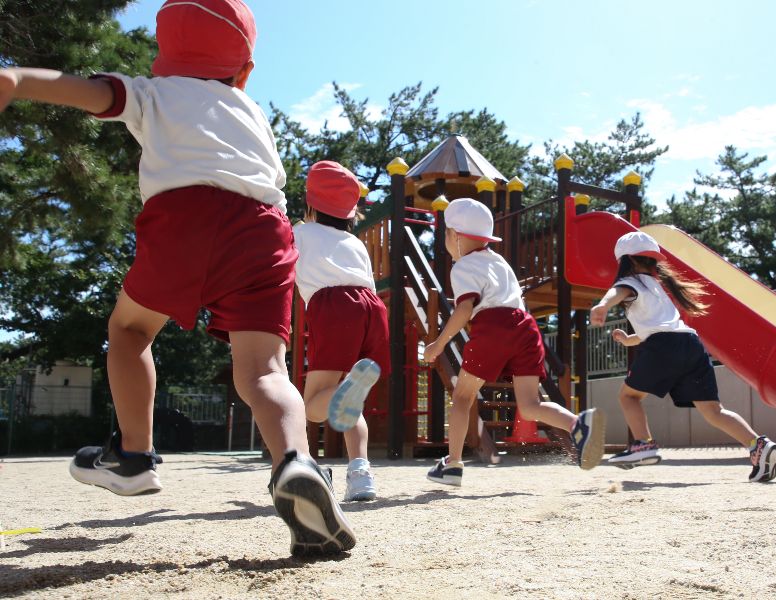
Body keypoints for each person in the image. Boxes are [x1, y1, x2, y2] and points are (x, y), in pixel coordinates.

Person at [0, 0, 355, 554]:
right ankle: (295, 462)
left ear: (162, 57)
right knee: (265, 370)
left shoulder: (152, 92)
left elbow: (88, 91)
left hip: (183, 219)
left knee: (130, 330)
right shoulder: (251, 113)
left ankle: (133, 456)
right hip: (265, 230)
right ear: (245, 71)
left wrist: (19, 80)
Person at [423, 198, 606, 486]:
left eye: (446, 234)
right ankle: (577, 424)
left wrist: (439, 343)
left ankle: (453, 465)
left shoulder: (463, 266)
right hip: (525, 327)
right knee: (530, 404)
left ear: (455, 235)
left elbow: (465, 309)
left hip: (493, 325)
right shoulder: (499, 262)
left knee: (462, 396)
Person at [591, 231, 776, 482]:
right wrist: (629, 340)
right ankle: (758, 445)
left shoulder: (631, 282)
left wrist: (603, 305)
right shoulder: (657, 287)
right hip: (691, 345)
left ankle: (643, 444)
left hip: (664, 345)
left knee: (628, 396)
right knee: (714, 411)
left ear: (627, 261)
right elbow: (660, 328)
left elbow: (617, 293)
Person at [292, 160, 387, 502]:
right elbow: (367, 286)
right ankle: (360, 474)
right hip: (372, 308)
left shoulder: (300, 233)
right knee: (349, 404)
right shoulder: (355, 242)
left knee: (313, 406)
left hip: (333, 307)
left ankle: (345, 392)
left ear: (310, 204)